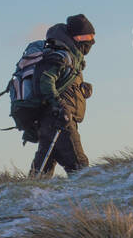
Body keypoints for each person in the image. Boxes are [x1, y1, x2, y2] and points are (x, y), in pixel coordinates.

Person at [29, 14, 95, 178]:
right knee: (81, 170)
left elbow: (61, 84)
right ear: (77, 37)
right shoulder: (61, 56)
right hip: (60, 121)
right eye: (87, 37)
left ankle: (28, 200)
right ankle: (86, 202)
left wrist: (82, 90)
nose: (91, 42)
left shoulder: (70, 58)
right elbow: (46, 81)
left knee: (40, 175)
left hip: (52, 121)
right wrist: (60, 104)